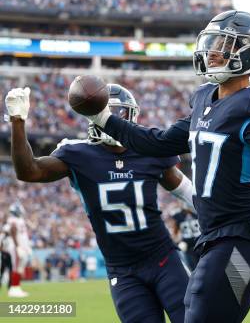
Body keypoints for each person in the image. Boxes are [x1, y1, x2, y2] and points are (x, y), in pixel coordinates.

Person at [84, 10, 250, 322]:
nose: (211, 52)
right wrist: (104, 120)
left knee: (200, 313)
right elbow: (158, 143)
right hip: (218, 238)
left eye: (222, 45)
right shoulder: (203, 98)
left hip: (245, 241)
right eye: (211, 44)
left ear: (248, 51)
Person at [6, 84, 193, 322]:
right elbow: (28, 172)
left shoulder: (149, 149)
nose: (113, 120)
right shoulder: (77, 154)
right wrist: (17, 121)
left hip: (164, 258)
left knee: (192, 318)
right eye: (106, 113)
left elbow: (188, 193)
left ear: (130, 115)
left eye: (120, 112)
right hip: (123, 270)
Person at [3, 203, 31, 298]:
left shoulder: (18, 220)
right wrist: (18, 246)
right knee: (15, 267)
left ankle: (16, 288)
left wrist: (26, 247)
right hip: (16, 247)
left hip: (21, 246)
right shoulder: (12, 220)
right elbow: (12, 231)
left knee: (19, 268)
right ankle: (13, 289)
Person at [170, 204, 201, 271]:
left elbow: (174, 235)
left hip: (196, 245)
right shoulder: (197, 213)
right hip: (194, 246)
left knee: (197, 270)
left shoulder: (178, 216)